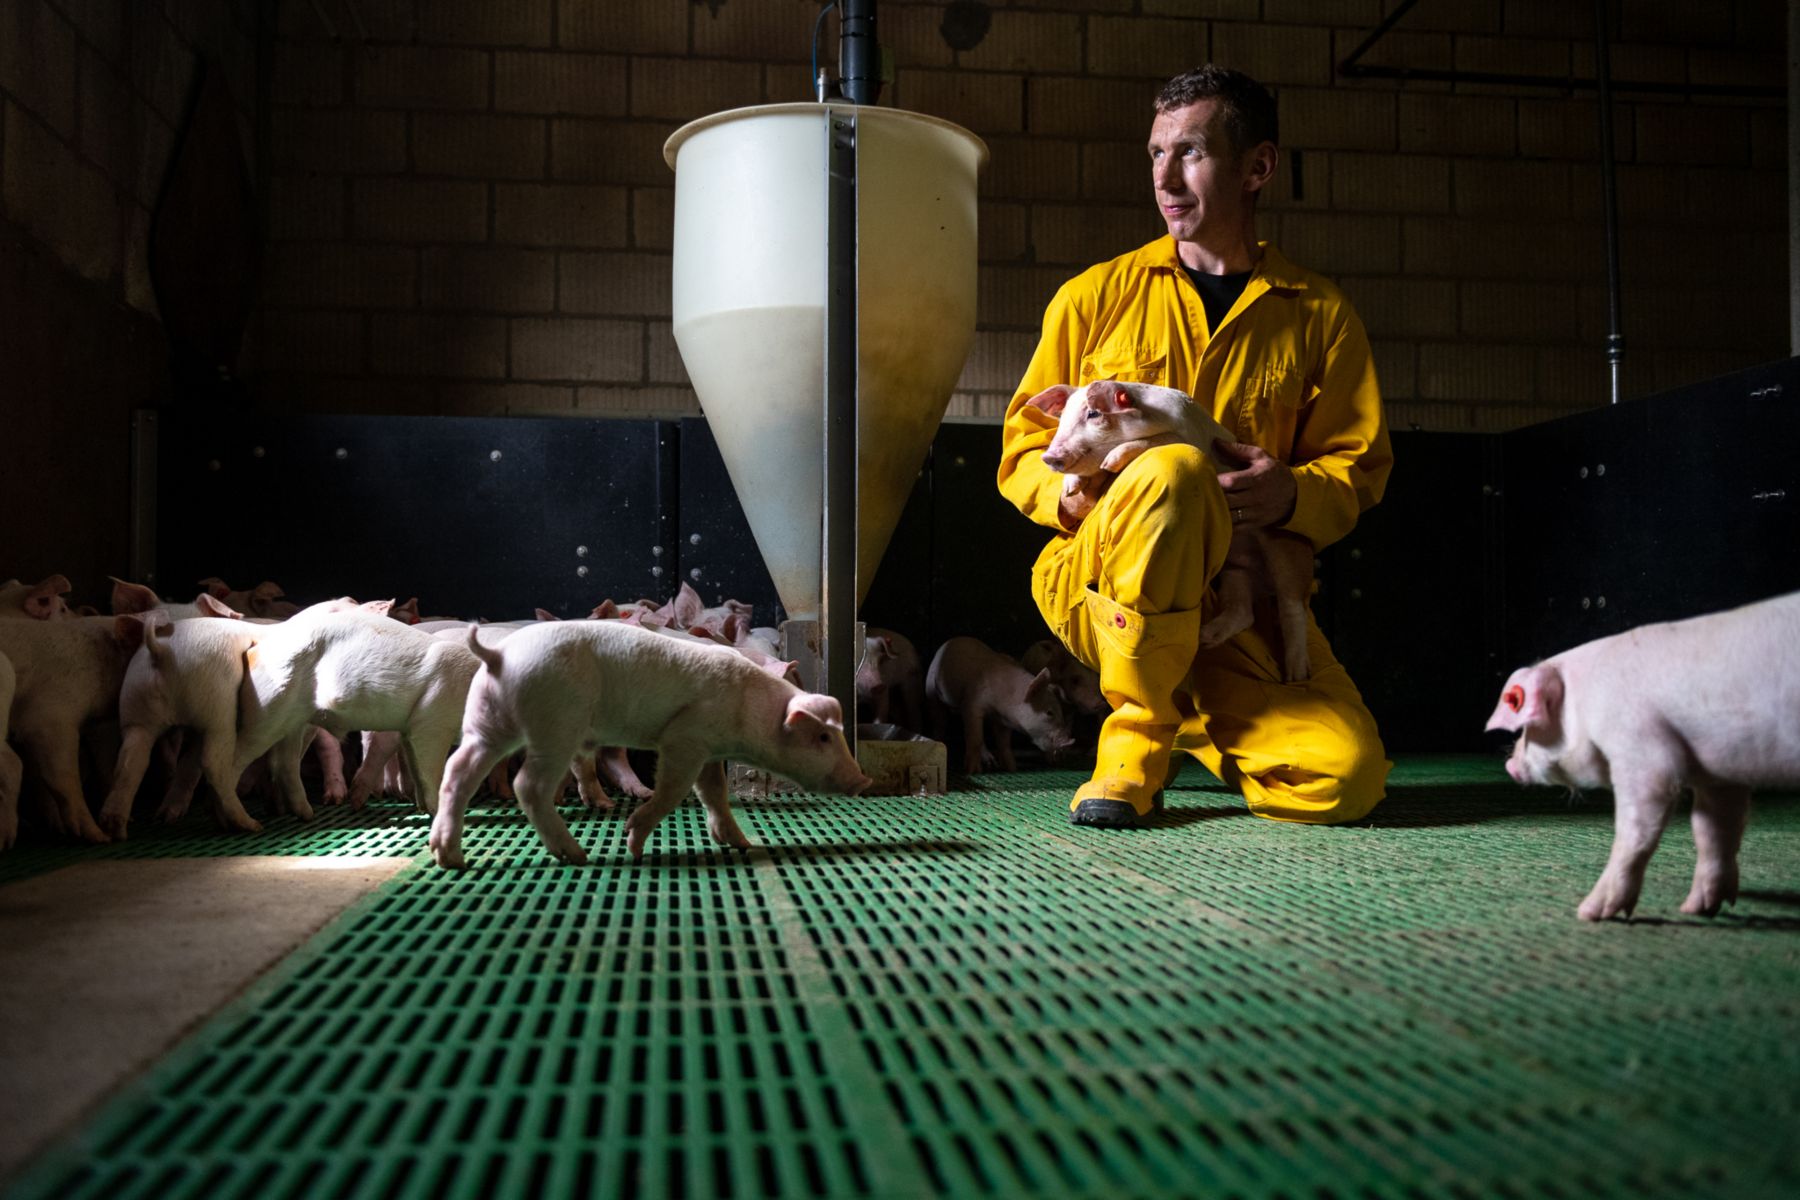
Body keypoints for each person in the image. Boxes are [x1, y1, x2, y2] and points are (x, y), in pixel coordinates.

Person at [997, 64, 1394, 828]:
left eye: (1191, 152)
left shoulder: (1319, 315)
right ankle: (1137, 747)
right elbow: (1021, 452)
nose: (1166, 176)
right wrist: (1073, 494)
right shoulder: (1094, 297)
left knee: (1343, 781)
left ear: (1259, 167)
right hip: (1098, 584)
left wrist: (1294, 494)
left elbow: (1357, 466)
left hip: (1236, 604)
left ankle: (1197, 718)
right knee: (1174, 469)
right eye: (1155, 153)